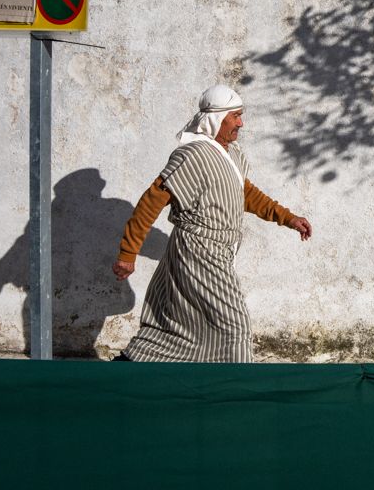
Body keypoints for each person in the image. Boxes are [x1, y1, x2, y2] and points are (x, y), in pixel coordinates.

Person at [111, 84, 311, 362]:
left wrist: (288, 217)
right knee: (234, 325)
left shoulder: (231, 155)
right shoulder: (192, 156)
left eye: (241, 115)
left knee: (179, 327)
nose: (241, 123)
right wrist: (128, 253)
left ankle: (132, 368)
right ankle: (235, 395)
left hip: (220, 251)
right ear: (217, 118)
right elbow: (151, 201)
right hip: (198, 251)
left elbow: (245, 194)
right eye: (236, 116)